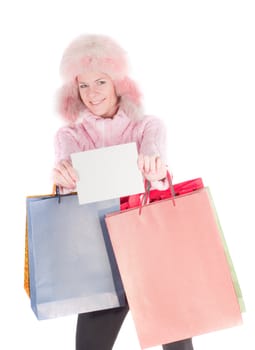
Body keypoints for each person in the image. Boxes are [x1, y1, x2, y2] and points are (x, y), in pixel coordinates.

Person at [52, 34, 194, 350]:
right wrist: (62, 178)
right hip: (102, 258)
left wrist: (156, 172)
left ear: (118, 83)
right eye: (83, 85)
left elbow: (157, 169)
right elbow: (68, 186)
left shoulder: (147, 127)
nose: (91, 93)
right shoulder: (69, 135)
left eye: (100, 82)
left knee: (178, 346)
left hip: (151, 250)